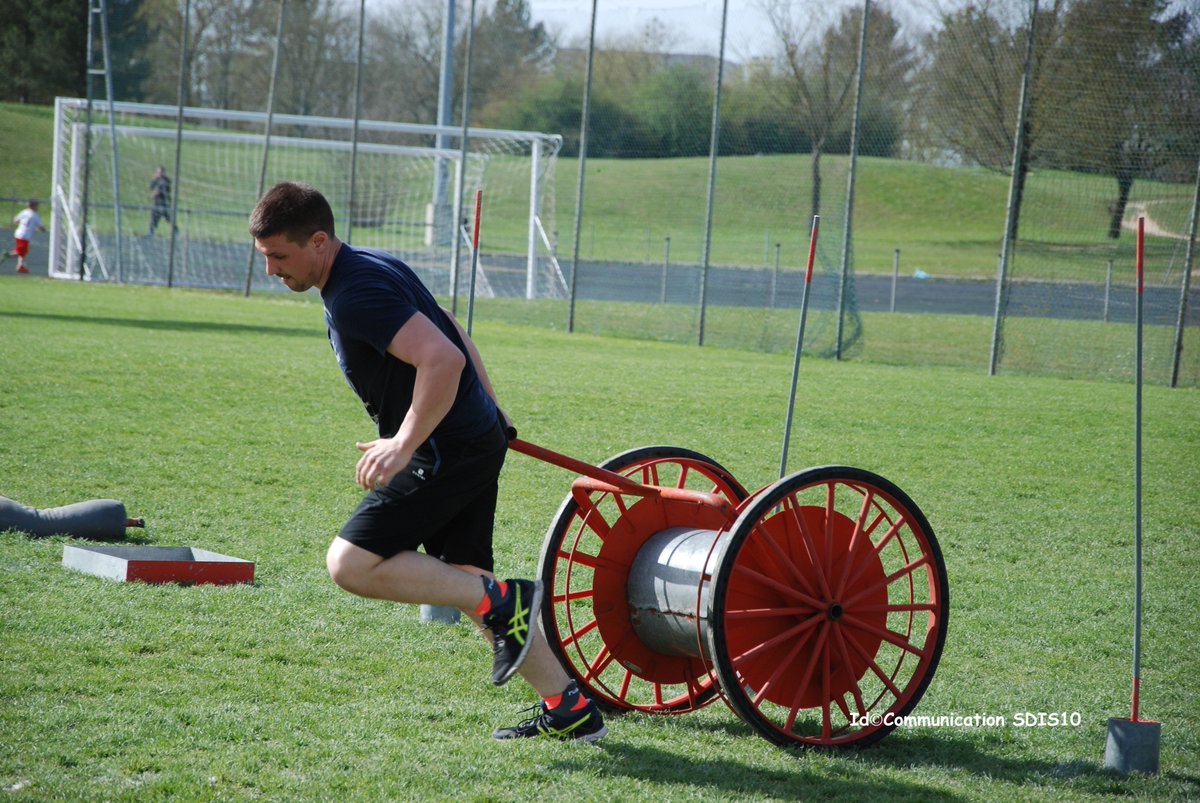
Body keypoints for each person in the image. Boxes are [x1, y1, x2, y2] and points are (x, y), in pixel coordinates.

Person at [248, 182, 606, 742]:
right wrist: (490, 405)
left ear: (318, 241)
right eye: (265, 256)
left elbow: (440, 356)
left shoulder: (355, 293)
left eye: (279, 256)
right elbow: (447, 324)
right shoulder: (370, 266)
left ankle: (504, 599)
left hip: (445, 449)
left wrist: (404, 443)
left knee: (350, 564)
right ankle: (571, 708)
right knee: (463, 580)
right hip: (469, 438)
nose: (271, 269)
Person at [3, 199, 46, 274]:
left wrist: (24, 223)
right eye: (37, 205)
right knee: (21, 252)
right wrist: (43, 230)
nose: (38, 207)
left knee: (23, 251)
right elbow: (41, 227)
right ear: (34, 206)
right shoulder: (34, 215)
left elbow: (15, 220)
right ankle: (10, 257)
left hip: (19, 233)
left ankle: (20, 266)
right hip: (24, 235)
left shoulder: (24, 212)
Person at [148, 166, 172, 235]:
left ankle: (176, 231)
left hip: (164, 203)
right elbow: (151, 186)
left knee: (169, 218)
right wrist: (155, 179)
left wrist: (156, 193)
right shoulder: (156, 180)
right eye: (158, 172)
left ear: (164, 173)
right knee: (154, 218)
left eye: (161, 172)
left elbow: (162, 190)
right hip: (157, 203)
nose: (159, 173)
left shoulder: (166, 181)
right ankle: (151, 232)